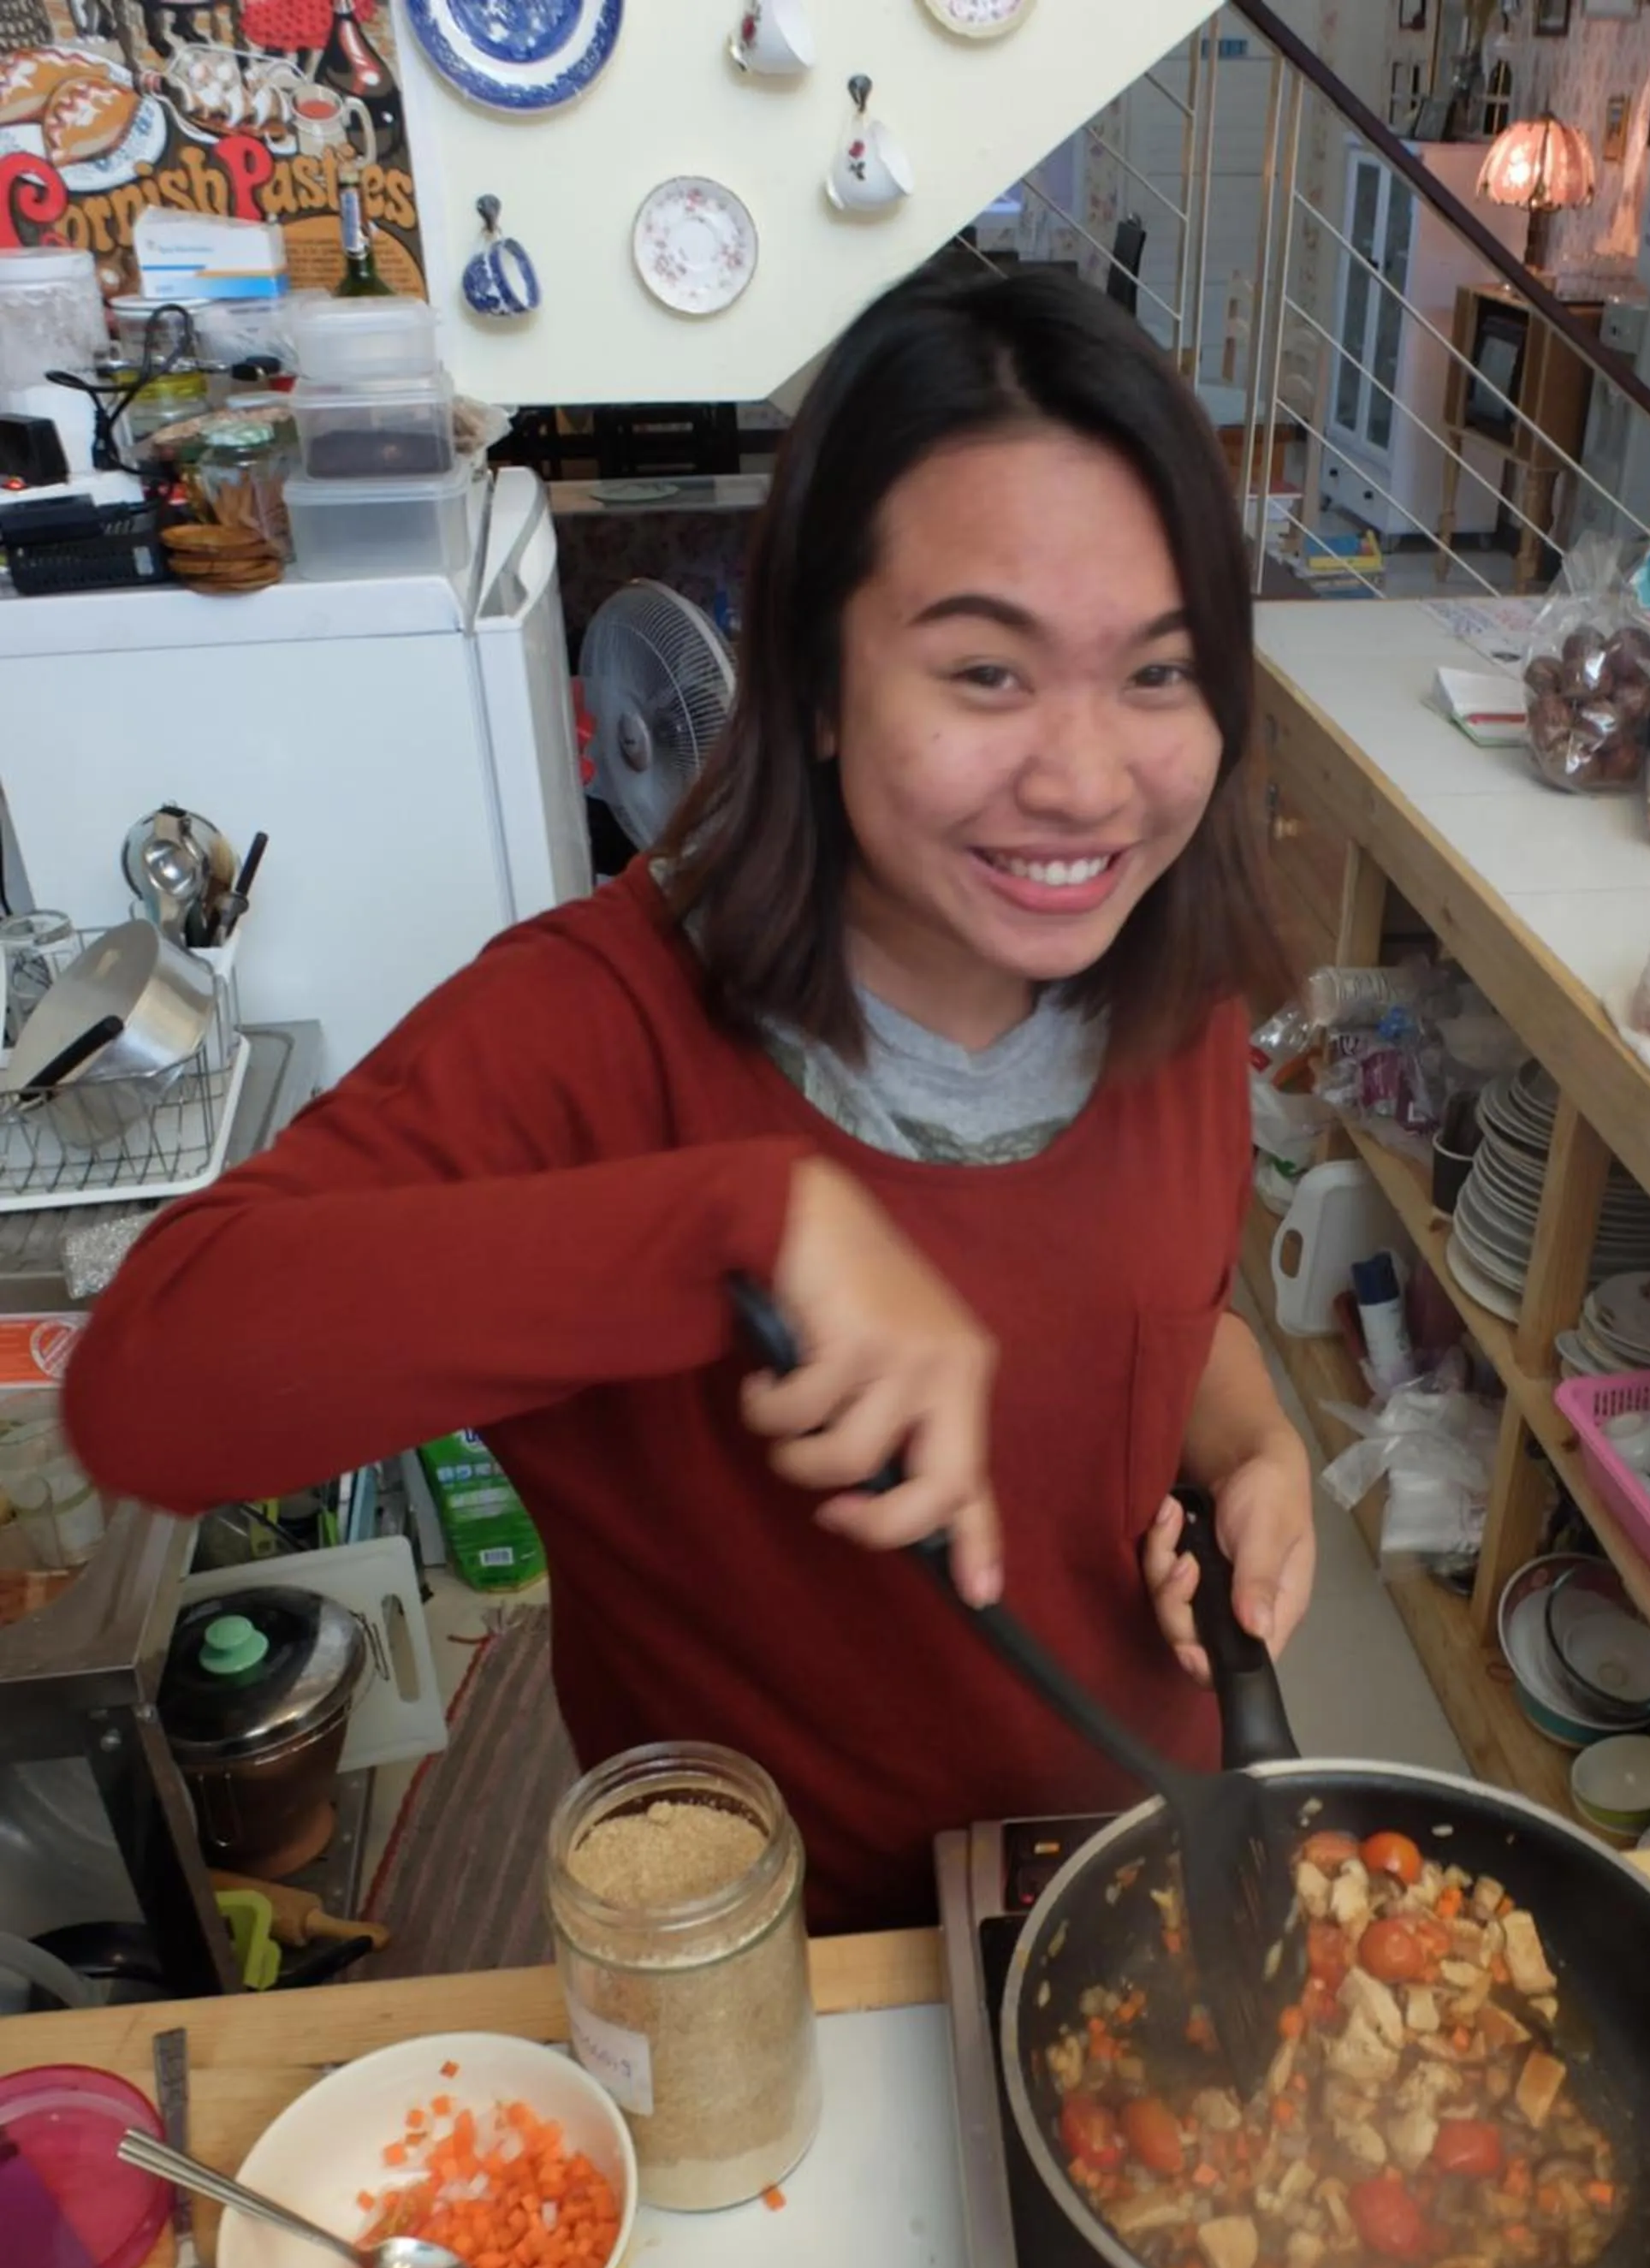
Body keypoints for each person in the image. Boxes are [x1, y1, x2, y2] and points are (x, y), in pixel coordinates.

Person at [65, 266, 1315, 1932]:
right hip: (766, 1961)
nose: (1089, 780)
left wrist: (1251, 1447)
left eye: (1158, 676)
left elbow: (1160, 1322)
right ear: (810, 677)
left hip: (1135, 1882)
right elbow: (152, 1382)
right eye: (986, 675)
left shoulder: (1176, 984)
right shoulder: (594, 1033)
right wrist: (740, 1225)